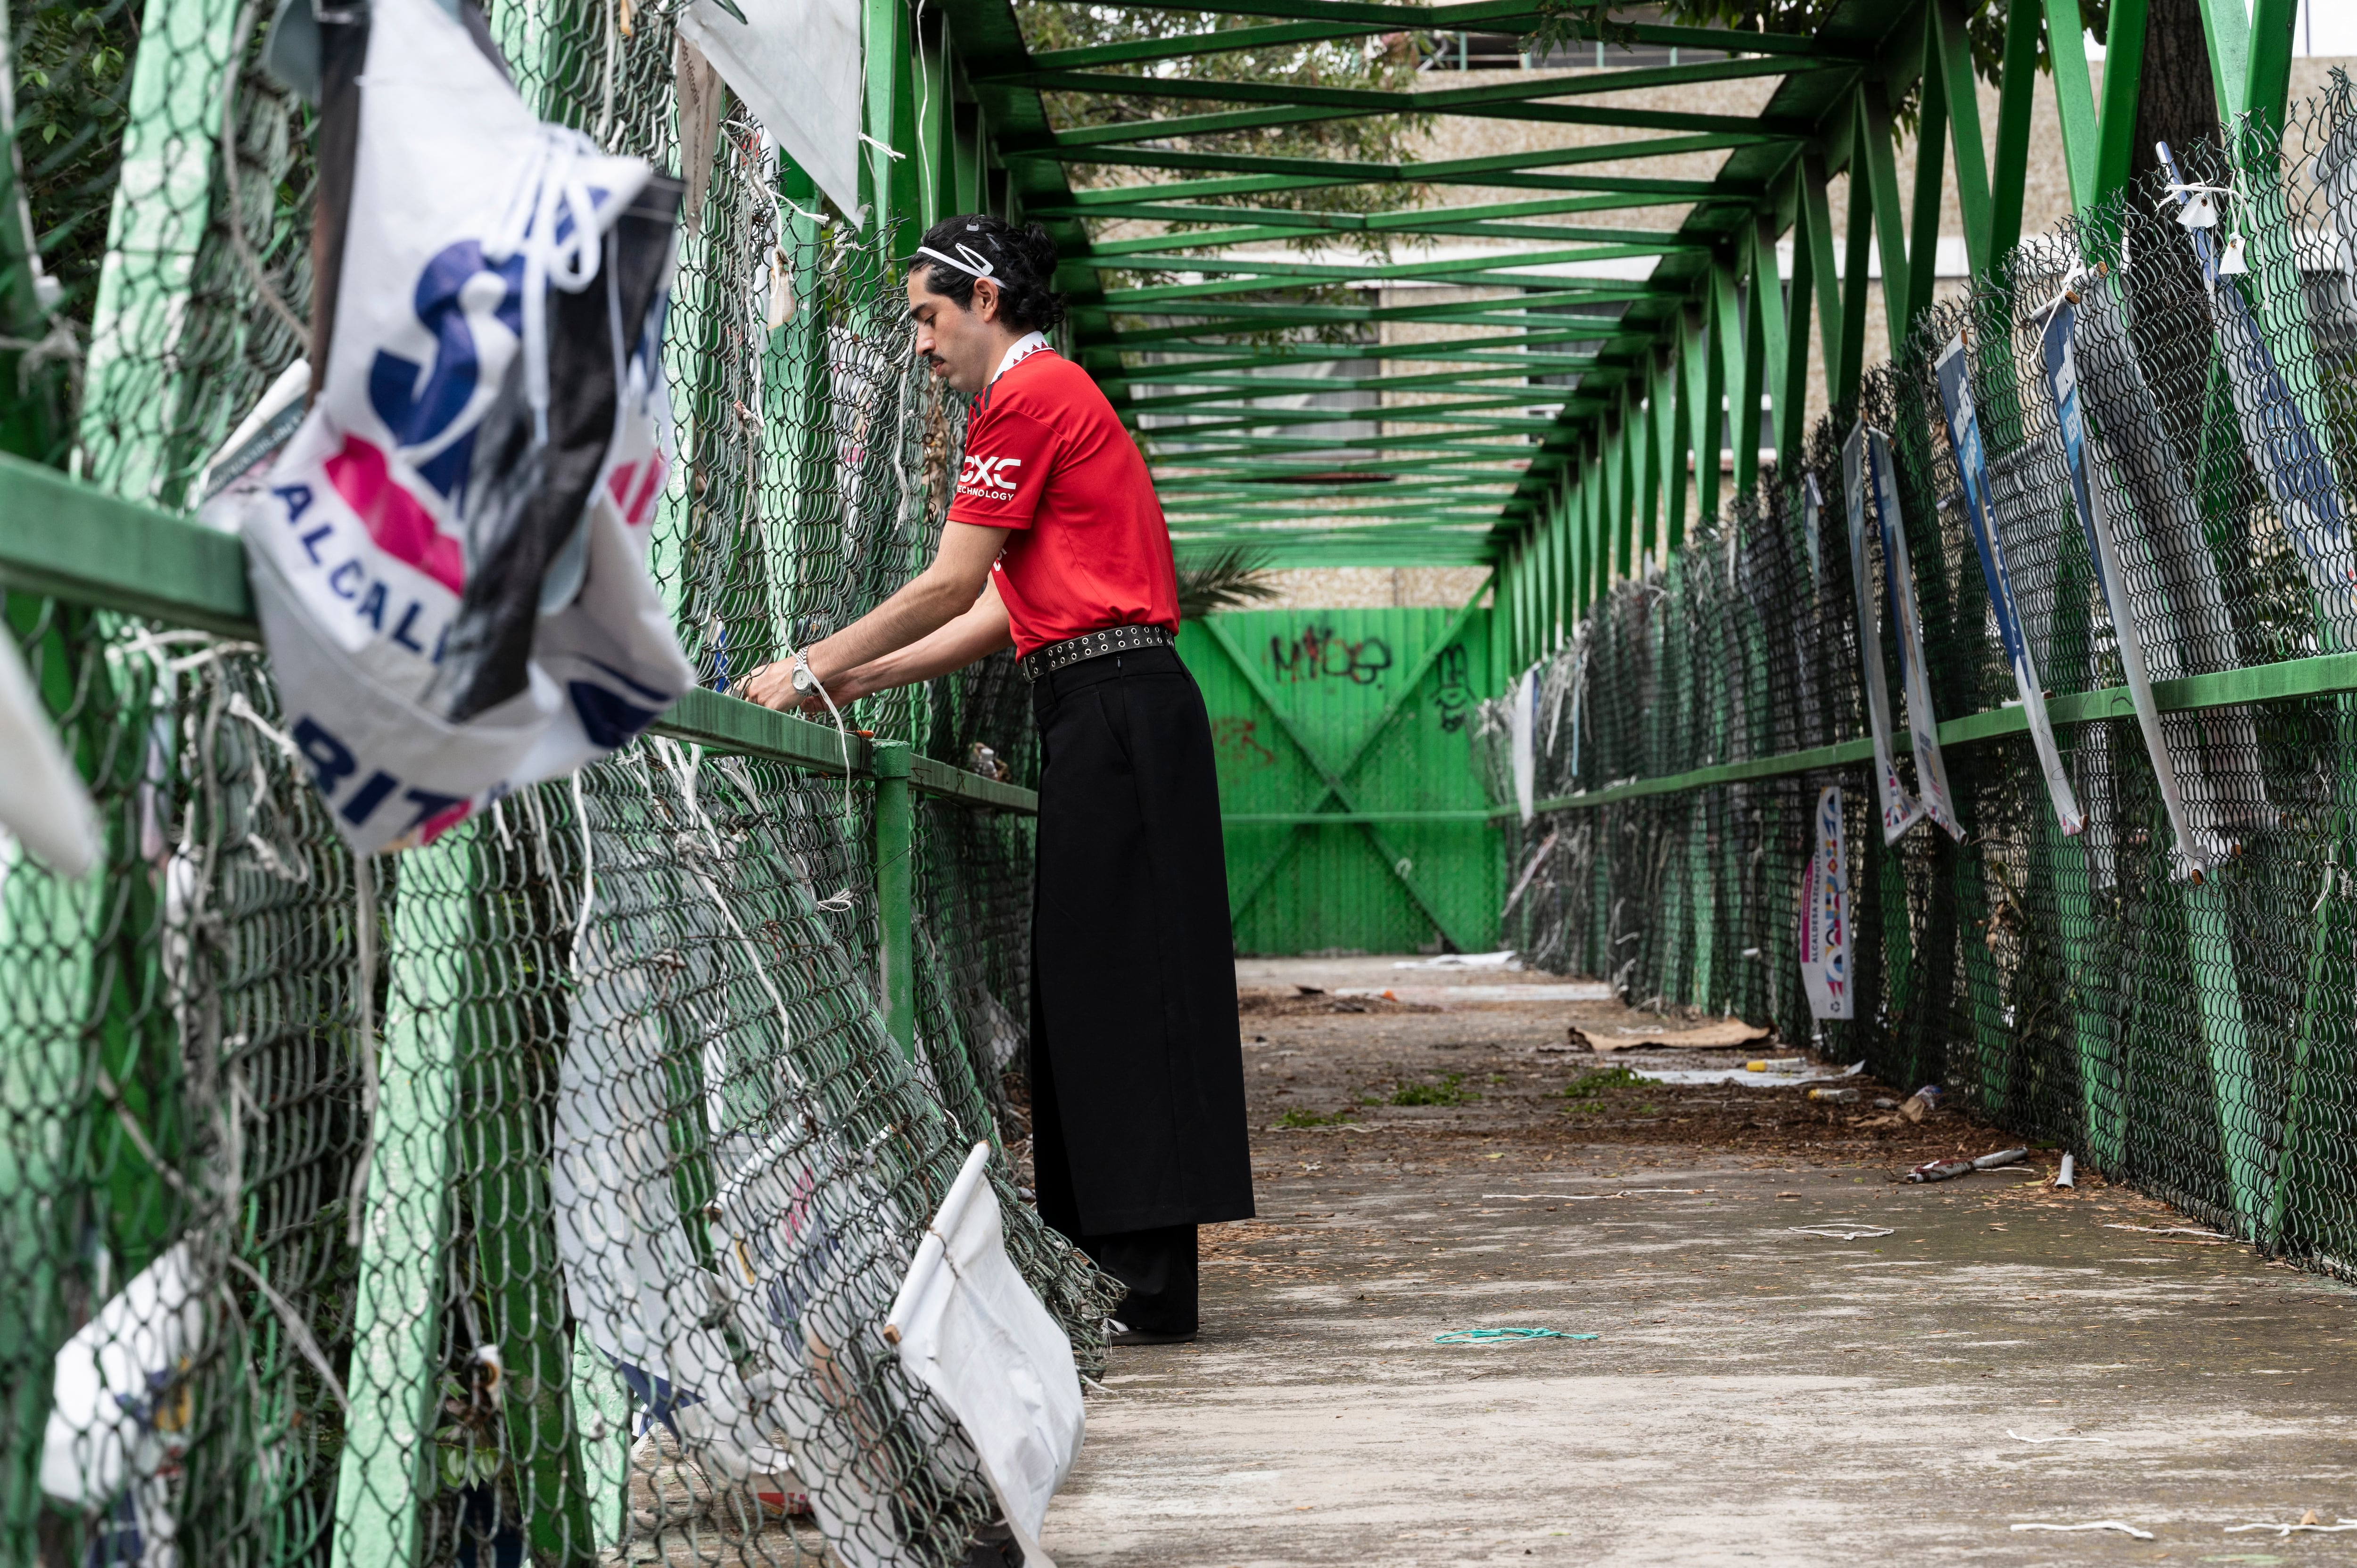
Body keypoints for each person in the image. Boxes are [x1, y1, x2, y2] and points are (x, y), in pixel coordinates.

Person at [741, 214, 1254, 1346]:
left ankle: (1141, 1274)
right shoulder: (1037, 402)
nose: (918, 343)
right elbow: (992, 611)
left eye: (927, 315)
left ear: (984, 299)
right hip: (1097, 699)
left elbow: (949, 578)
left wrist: (807, 663)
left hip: (1114, 701)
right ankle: (1126, 1267)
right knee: (1091, 980)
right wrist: (850, 682)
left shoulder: (1030, 395)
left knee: (1118, 980)